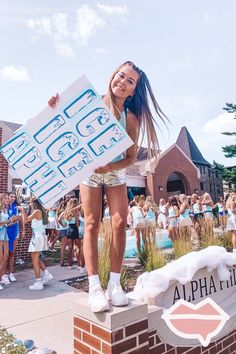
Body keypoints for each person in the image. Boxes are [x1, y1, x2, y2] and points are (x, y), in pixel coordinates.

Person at [49, 60, 167, 312]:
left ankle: (115, 284)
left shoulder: (131, 118)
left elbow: (131, 157)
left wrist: (109, 168)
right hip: (89, 173)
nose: (122, 83)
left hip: (114, 173)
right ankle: (94, 287)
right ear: (113, 75)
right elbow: (63, 124)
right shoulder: (88, 104)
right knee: (90, 223)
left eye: (130, 81)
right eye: (121, 76)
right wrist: (55, 106)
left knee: (118, 222)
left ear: (134, 91)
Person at [19, 198, 53, 290]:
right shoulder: (39, 211)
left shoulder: (37, 211)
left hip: (37, 237)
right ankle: (46, 273)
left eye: (30, 202)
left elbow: (25, 220)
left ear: (34, 203)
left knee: (34, 260)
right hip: (38, 236)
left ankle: (38, 282)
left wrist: (22, 211)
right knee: (35, 258)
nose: (29, 203)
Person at [0, 193, 19, 289]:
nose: (8, 199)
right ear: (2, 199)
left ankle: (2, 276)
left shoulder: (5, 209)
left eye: (8, 198)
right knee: (1, 257)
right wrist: (10, 220)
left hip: (5, 235)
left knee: (6, 255)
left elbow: (6, 225)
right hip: (0, 235)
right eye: (6, 198)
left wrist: (13, 221)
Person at [6, 192, 25, 282]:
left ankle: (10, 273)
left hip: (15, 231)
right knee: (4, 254)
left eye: (14, 197)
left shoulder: (17, 207)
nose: (13, 198)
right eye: (11, 196)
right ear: (8, 197)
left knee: (12, 252)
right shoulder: (4, 206)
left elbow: (21, 219)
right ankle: (3, 274)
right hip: (5, 232)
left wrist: (23, 230)